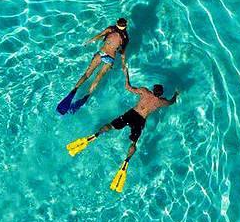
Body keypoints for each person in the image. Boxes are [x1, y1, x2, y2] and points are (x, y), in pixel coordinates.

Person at [66, 57, 178, 191]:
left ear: (153, 89)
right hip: (141, 120)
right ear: (161, 94)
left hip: (130, 114)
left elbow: (128, 87)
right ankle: (126, 162)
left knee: (110, 126)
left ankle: (95, 136)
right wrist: (176, 94)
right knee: (134, 143)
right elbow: (171, 102)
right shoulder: (160, 102)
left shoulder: (144, 91)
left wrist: (126, 73)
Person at [57, 17, 129, 114]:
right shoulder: (125, 38)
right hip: (110, 58)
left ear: (117, 23)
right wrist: (124, 65)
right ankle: (87, 96)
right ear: (126, 25)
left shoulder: (110, 29)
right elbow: (122, 54)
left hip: (102, 53)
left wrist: (89, 41)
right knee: (98, 78)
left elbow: (99, 36)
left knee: (87, 74)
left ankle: (73, 91)